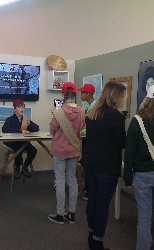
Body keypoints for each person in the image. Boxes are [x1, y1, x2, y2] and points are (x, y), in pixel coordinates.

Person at [80, 81, 126, 250]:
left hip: (90, 164)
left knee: (92, 200)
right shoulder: (116, 116)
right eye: (122, 95)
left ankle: (92, 236)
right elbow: (120, 143)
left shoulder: (92, 113)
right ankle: (97, 243)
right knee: (102, 204)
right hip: (107, 167)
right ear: (115, 96)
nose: (123, 98)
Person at [48, 82, 85, 224]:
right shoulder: (81, 111)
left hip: (60, 151)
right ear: (75, 95)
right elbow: (82, 130)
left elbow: (52, 130)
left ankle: (60, 213)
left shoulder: (59, 111)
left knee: (60, 180)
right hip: (74, 150)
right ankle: (72, 214)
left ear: (63, 95)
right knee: (72, 181)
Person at [123, 84, 154, 250]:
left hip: (142, 175)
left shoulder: (137, 121)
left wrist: (128, 177)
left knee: (144, 216)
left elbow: (129, 153)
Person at [2, 99, 39, 179]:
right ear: (15, 109)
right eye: (19, 107)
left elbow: (36, 128)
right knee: (19, 149)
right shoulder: (10, 119)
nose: (22, 109)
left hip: (23, 142)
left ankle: (25, 167)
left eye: (23, 107)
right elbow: (5, 129)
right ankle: (17, 168)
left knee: (33, 150)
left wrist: (30, 124)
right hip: (12, 142)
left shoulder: (25, 119)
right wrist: (20, 131)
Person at [77, 83, 96, 201]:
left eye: (82, 92)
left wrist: (77, 133)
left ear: (88, 94)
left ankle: (89, 191)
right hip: (86, 140)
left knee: (89, 166)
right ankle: (88, 189)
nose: (80, 95)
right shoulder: (89, 106)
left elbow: (90, 128)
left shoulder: (93, 107)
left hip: (90, 141)